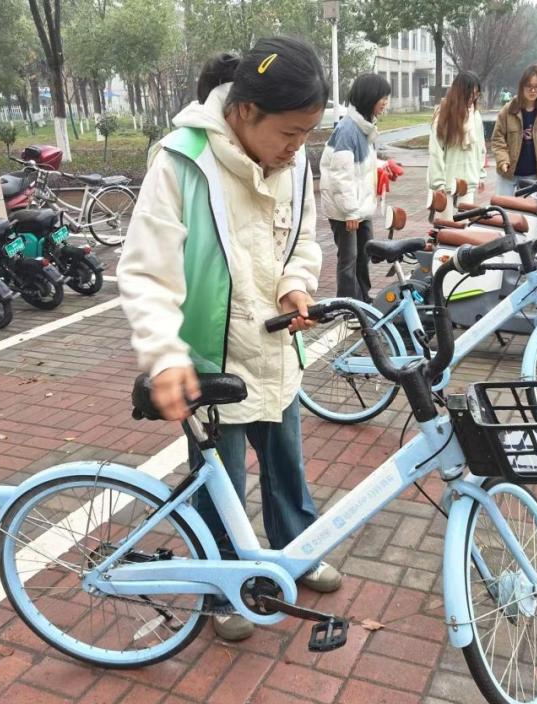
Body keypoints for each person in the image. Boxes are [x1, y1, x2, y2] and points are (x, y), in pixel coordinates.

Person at [117, 37, 342, 643]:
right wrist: (165, 358)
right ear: (244, 111)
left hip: (275, 347)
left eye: (307, 134)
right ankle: (221, 586)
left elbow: (301, 239)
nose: (297, 147)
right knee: (218, 480)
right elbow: (146, 272)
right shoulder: (182, 160)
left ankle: (297, 550)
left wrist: (296, 286)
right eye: (289, 132)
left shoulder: (294, 163)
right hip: (211, 359)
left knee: (287, 463)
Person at [319, 73, 391, 302]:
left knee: (364, 254)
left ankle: (363, 300)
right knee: (349, 258)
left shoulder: (364, 127)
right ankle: (348, 304)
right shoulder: (348, 130)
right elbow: (341, 176)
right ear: (369, 97)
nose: (385, 102)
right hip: (345, 209)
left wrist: (384, 166)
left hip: (358, 206)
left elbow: (361, 166)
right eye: (383, 97)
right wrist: (350, 212)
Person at [491, 64, 537, 197]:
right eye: (529, 86)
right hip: (507, 175)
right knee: (502, 208)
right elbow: (498, 139)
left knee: (529, 211)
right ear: (522, 86)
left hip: (533, 177)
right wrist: (503, 161)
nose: (532, 90)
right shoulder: (508, 110)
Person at [427, 71, 486, 208]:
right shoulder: (444, 115)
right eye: (470, 93)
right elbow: (436, 151)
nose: (473, 98)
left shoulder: (475, 115)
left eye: (476, 94)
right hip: (447, 185)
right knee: (447, 222)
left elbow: (480, 148)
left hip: (468, 184)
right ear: (459, 92)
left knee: (465, 221)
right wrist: (438, 184)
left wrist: (481, 174)